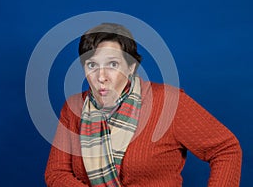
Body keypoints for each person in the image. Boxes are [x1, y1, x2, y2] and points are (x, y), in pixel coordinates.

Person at [45, 23, 242, 186]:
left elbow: (226, 149)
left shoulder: (168, 102)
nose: (101, 77)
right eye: (92, 65)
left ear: (131, 67)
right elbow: (57, 173)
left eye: (113, 64)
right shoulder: (73, 108)